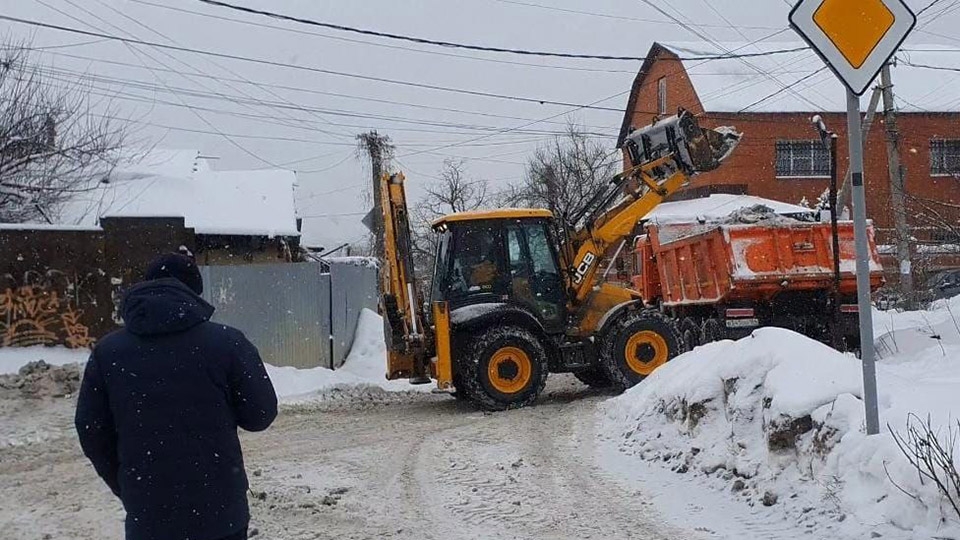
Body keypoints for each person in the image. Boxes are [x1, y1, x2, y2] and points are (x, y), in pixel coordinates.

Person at [75, 253, 278, 540]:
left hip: (149, 516)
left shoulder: (108, 352)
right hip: (220, 514)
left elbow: (91, 430)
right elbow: (260, 416)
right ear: (194, 294)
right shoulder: (227, 343)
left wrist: (128, 483)